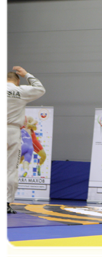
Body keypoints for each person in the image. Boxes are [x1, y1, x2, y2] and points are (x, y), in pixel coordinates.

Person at [5, 66, 46, 214]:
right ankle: (4, 203)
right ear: (17, 81)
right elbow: (40, 89)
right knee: (10, 169)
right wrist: (27, 74)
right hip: (11, 131)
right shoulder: (20, 91)